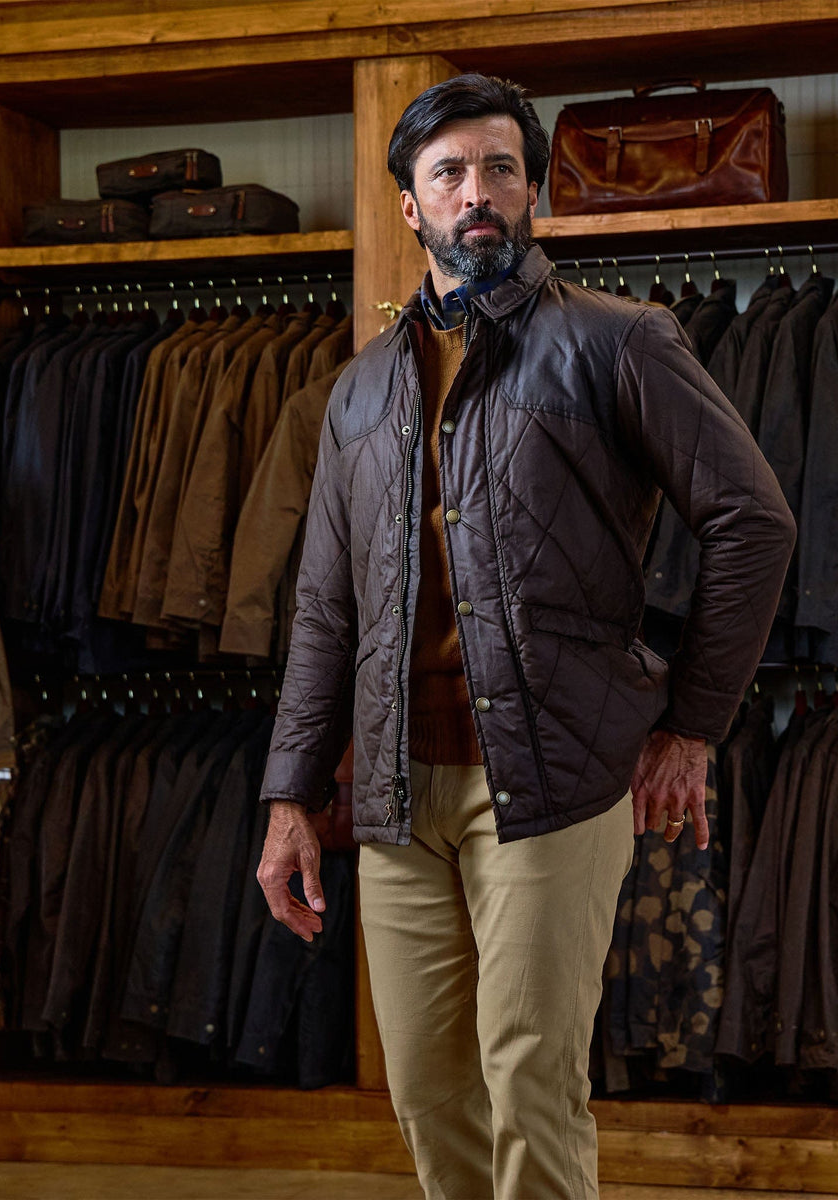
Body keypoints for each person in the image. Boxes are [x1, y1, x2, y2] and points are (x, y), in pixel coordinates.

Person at [256, 73, 796, 1200]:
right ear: (410, 205)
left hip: (551, 780)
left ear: (532, 190)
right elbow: (322, 609)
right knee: (427, 1087)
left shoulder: (618, 343)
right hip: (400, 792)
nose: (477, 193)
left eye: (500, 167)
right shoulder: (358, 393)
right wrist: (290, 796)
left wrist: (690, 728)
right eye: (448, 173)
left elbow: (755, 521)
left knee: (530, 1075)